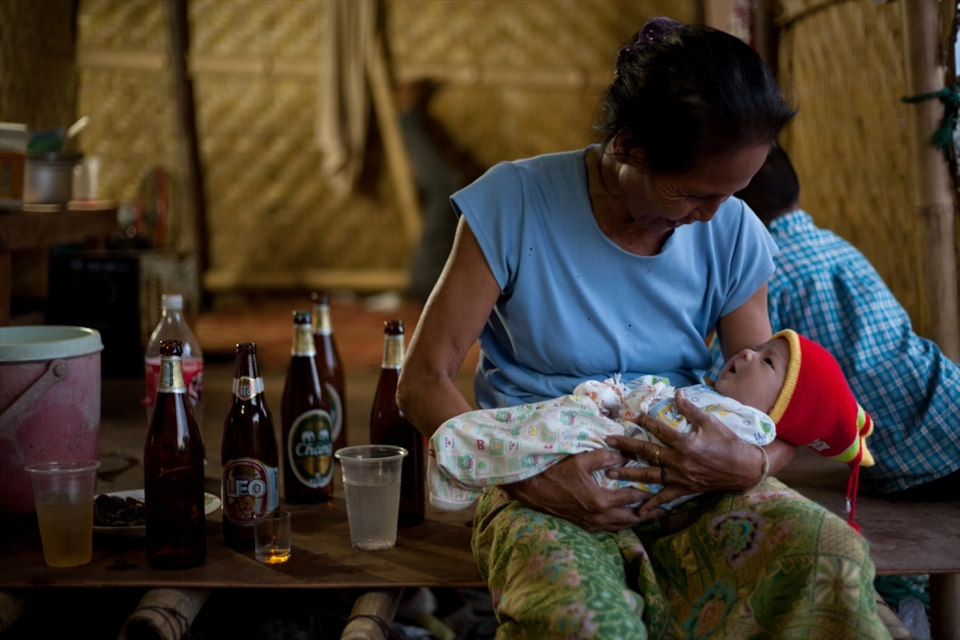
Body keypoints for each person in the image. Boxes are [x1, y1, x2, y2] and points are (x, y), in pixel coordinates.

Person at [398, 17, 891, 639]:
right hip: (547, 471)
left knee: (828, 559)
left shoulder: (732, 228)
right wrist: (529, 477)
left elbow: (777, 403)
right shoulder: (512, 204)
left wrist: (747, 465)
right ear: (628, 147)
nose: (714, 215)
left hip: (694, 476)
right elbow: (423, 379)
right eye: (693, 194)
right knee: (578, 621)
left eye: (732, 193)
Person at [430, 329, 875, 532]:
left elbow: (770, 438)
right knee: (536, 429)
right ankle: (468, 458)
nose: (747, 352)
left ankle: (463, 457)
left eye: (768, 361)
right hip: (601, 443)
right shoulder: (710, 393)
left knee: (818, 541)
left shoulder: (749, 422)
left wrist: (752, 464)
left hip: (623, 465)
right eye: (758, 348)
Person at [709, 145, 960, 500]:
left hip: (919, 454)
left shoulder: (765, 268)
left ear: (728, 204)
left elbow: (729, 382)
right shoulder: (836, 245)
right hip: (947, 390)